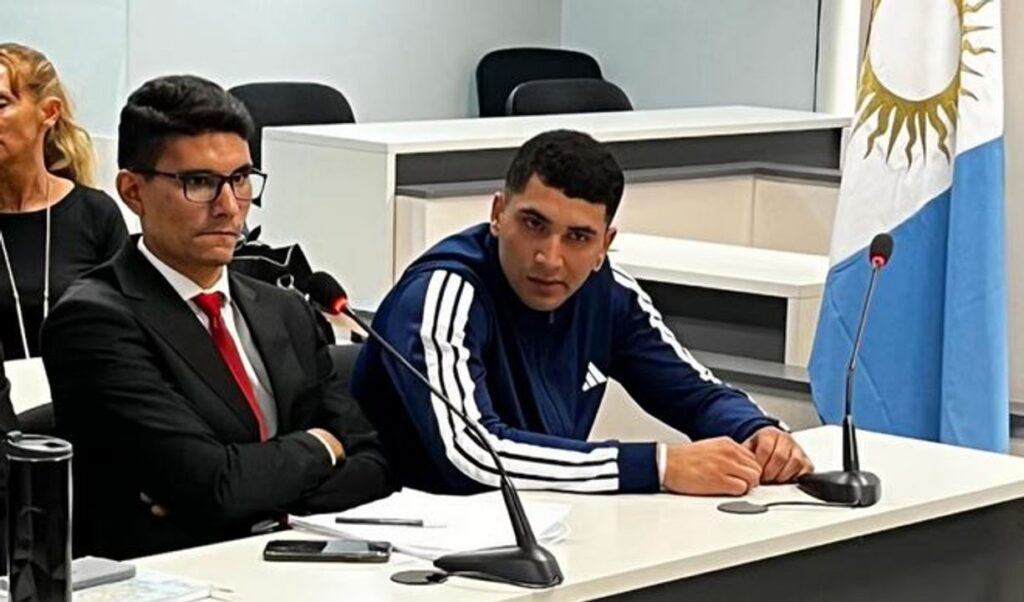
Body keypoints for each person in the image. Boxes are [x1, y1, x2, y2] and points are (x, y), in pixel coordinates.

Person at [41, 75, 393, 559]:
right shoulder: (93, 320)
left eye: (241, 179)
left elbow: (374, 463)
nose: (229, 207)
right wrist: (322, 447)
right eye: (200, 183)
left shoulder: (284, 308)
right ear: (132, 191)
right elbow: (212, 486)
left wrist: (266, 497)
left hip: (300, 562)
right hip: (177, 575)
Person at [352, 129, 813, 496]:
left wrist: (756, 430)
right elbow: (473, 454)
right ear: (498, 213)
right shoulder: (442, 292)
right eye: (534, 224)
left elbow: (697, 394)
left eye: (578, 237)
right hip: (407, 543)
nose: (549, 258)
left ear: (604, 245)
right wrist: (656, 466)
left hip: (545, 530)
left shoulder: (608, 294)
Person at [0, 43, 127, 359]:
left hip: (85, 385)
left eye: (1, 104)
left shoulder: (95, 215)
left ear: (49, 112)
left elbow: (130, 331)